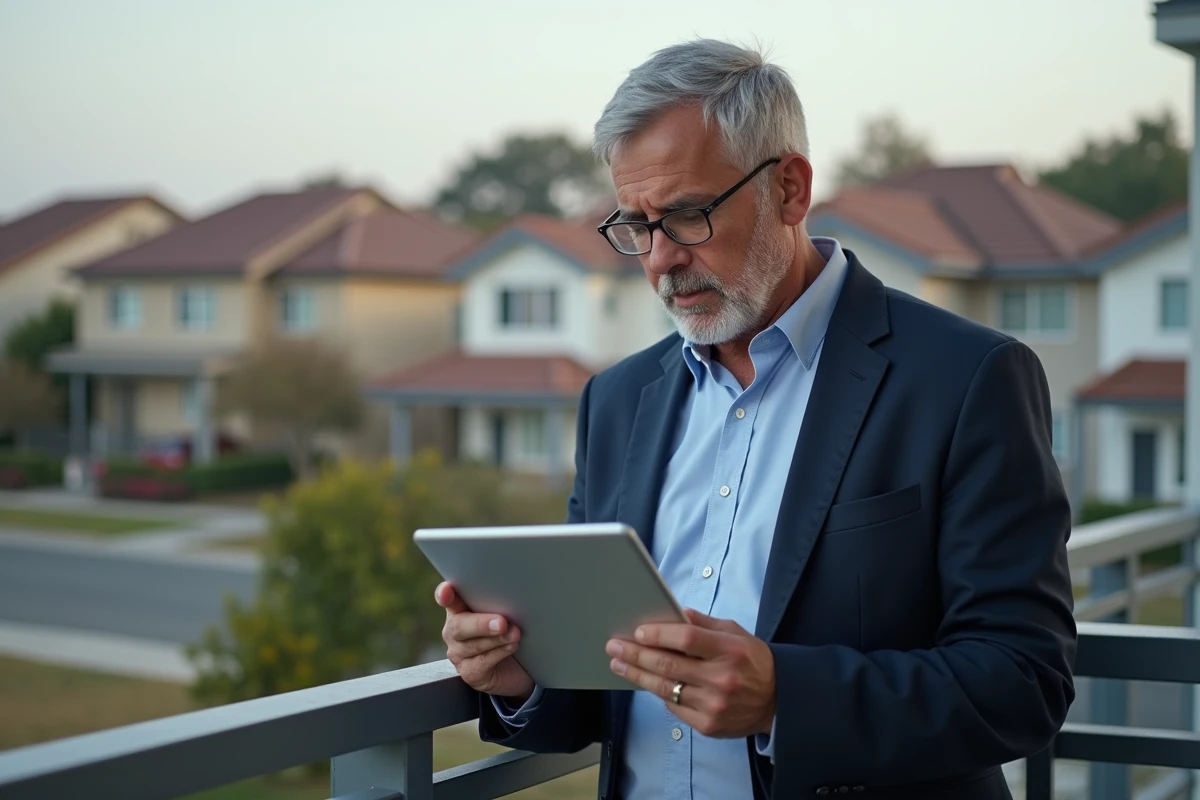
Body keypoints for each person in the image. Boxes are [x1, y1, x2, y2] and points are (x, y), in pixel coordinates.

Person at [436, 38, 1076, 800]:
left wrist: (785, 698)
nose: (659, 261)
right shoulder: (616, 401)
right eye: (636, 226)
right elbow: (603, 687)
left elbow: (1023, 679)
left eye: (687, 215)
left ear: (791, 190)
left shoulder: (965, 378)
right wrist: (522, 679)